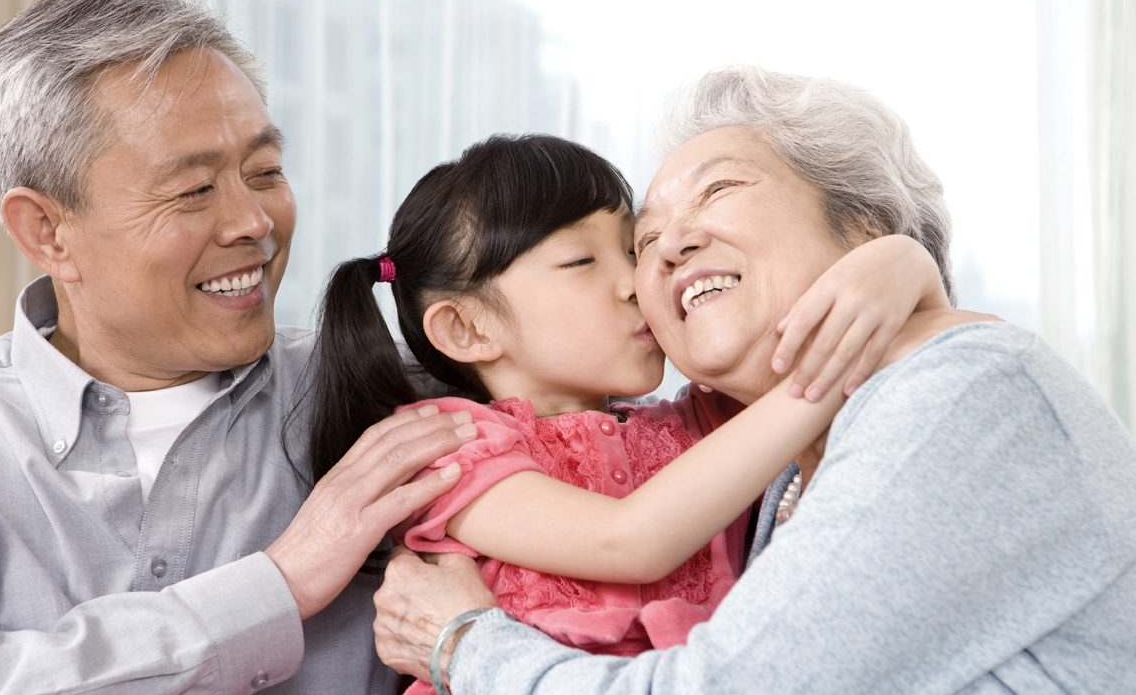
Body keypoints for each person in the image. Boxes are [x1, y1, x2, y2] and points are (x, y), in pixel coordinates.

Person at [373, 66, 1136, 693]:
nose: (665, 249)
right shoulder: (771, 465)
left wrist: (464, 642)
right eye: (648, 239)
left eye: (718, 190)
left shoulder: (961, 393)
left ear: (863, 223)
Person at [0, 0, 480, 693]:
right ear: (49, 232)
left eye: (266, 172)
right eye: (194, 190)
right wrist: (281, 583)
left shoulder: (390, 399)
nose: (253, 222)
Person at [316, 133, 949, 693]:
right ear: (467, 328)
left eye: (633, 249)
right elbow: (629, 540)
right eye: (582, 261)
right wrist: (838, 361)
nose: (635, 282)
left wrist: (904, 262)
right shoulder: (459, 449)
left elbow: (863, 367)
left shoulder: (697, 424)